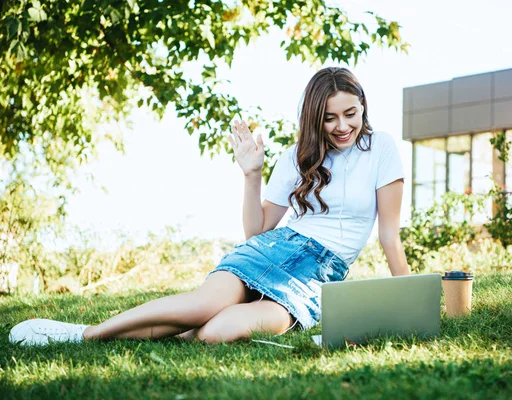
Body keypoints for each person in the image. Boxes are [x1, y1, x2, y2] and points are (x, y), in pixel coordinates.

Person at [9, 67, 410, 346]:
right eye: (329, 118)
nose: (342, 126)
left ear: (363, 108)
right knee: (203, 304)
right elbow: (257, 231)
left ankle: (168, 330)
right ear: (314, 118)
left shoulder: (382, 149)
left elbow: (388, 236)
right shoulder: (296, 156)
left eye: (350, 114)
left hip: (318, 277)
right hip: (273, 249)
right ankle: (85, 334)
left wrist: (407, 303)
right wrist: (251, 175)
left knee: (218, 330)